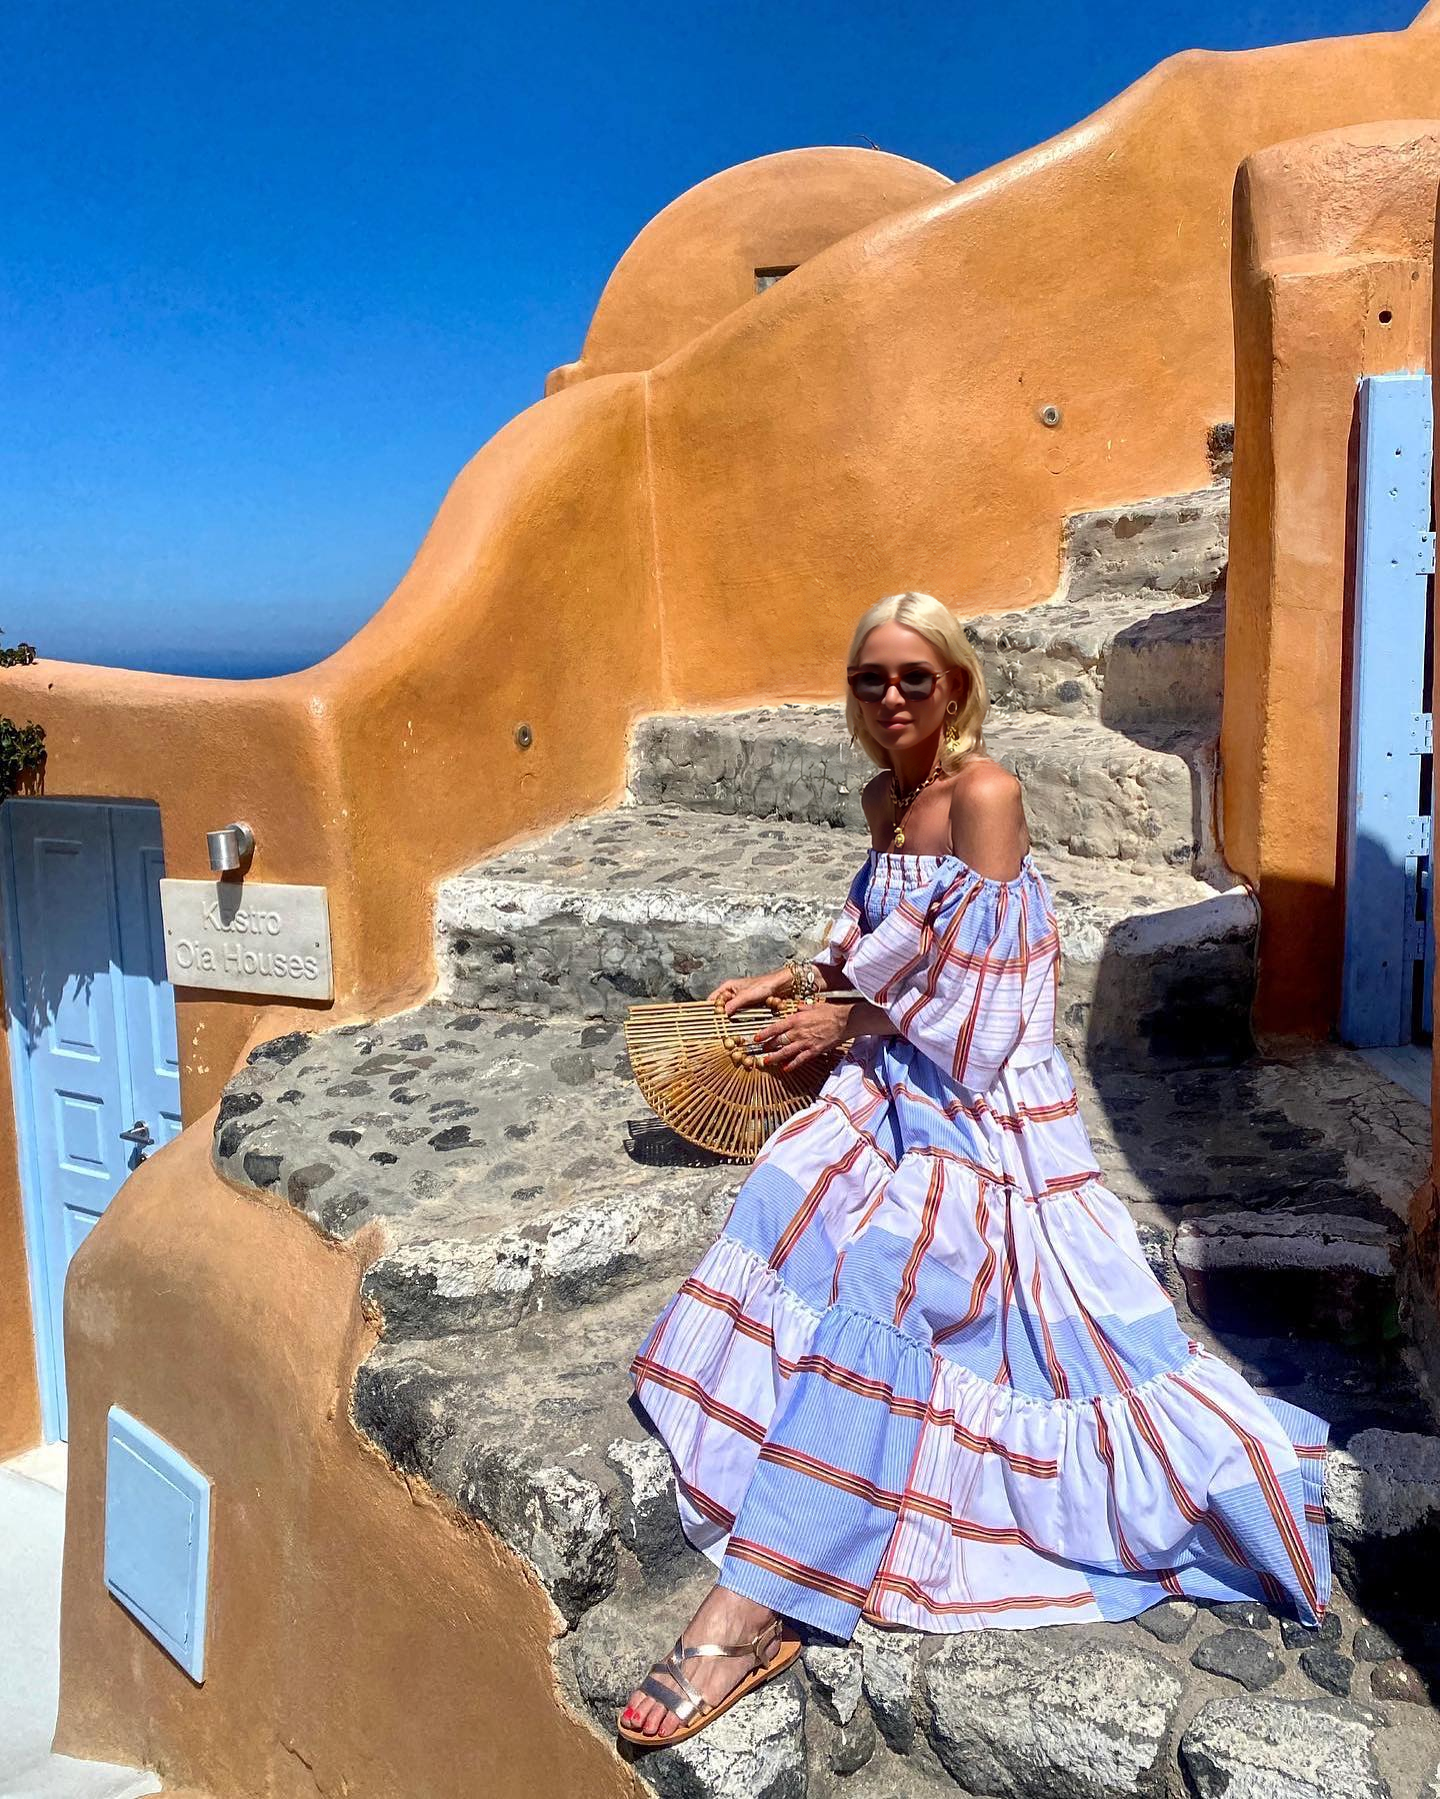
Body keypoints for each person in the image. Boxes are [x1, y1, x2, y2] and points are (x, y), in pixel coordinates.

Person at [619, 591, 1331, 1748]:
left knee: (895, 1277)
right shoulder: (885, 799)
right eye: (872, 678)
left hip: (983, 1104)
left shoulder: (984, 795)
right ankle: (805, 1475)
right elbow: (881, 938)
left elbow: (990, 1010)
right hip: (896, 1071)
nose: (893, 696)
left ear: (955, 684)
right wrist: (793, 983)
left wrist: (845, 1023)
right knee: (789, 1186)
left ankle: (749, 1605)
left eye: (916, 676)